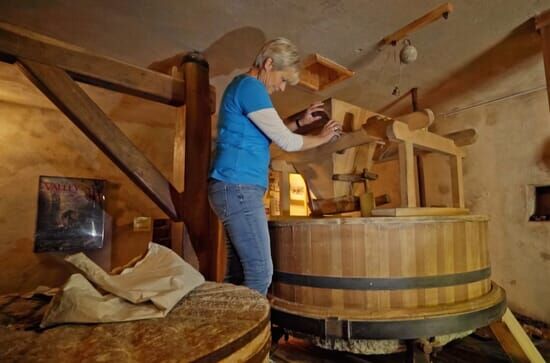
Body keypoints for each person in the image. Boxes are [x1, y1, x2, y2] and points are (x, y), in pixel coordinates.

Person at [208, 38, 342, 295]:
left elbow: (267, 133)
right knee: (260, 272)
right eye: (282, 80)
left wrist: (301, 122)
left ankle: (229, 326)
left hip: (230, 187)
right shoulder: (251, 87)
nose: (281, 88)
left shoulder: (241, 87)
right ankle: (246, 332)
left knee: (238, 274)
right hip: (238, 187)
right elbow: (286, 142)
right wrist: (323, 137)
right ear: (268, 64)